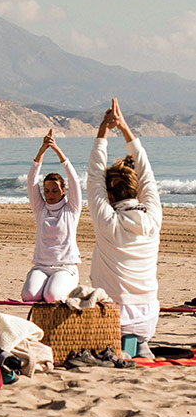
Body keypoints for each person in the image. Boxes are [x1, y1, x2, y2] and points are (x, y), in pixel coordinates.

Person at [88, 98, 161, 358]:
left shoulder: (106, 220)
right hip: (148, 316)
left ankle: (123, 344)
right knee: (138, 340)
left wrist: (104, 129)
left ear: (110, 193)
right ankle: (141, 344)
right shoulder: (152, 217)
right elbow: (147, 172)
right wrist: (123, 126)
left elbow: (94, 175)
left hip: (111, 317)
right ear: (136, 189)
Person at [21, 128, 82, 302]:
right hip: (41, 267)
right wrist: (42, 150)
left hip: (65, 267)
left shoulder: (72, 209)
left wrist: (56, 149)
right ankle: (49, 284)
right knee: (28, 296)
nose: (50, 194)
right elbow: (32, 179)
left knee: (51, 296)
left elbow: (74, 180)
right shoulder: (40, 209)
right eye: (47, 191)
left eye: (55, 190)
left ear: (63, 191)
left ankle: (65, 285)